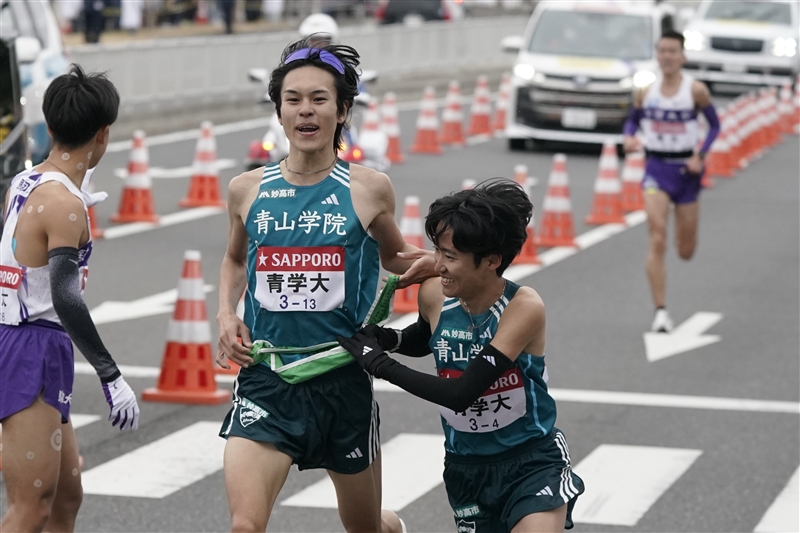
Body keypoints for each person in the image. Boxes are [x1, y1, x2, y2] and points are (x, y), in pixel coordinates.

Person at [215, 38, 433, 533]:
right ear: (279, 111)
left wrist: (446, 263)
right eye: (293, 100)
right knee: (244, 526)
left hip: (342, 379)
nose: (305, 111)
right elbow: (233, 260)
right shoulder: (248, 189)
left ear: (343, 110)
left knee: (365, 529)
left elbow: (394, 255)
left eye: (319, 99)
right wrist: (227, 315)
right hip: (268, 377)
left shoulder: (367, 187)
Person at [337, 179, 585, 533]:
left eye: (449, 257)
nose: (437, 264)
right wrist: (388, 339)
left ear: (491, 261)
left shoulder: (523, 307)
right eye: (437, 251)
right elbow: (425, 338)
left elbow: (461, 395)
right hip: (466, 466)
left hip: (530, 463)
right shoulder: (435, 294)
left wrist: (377, 362)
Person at [0, 64, 140, 533]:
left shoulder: (28, 181)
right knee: (32, 505)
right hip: (32, 345)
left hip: (28, 339)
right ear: (102, 135)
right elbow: (64, 296)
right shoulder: (64, 204)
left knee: (65, 496)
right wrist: (111, 375)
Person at [622, 29, 719, 333]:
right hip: (656, 167)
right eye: (662, 51)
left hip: (686, 172)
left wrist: (700, 156)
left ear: (683, 56)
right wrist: (629, 137)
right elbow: (632, 120)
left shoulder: (696, 90)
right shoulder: (645, 89)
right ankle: (660, 311)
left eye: (672, 51)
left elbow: (715, 126)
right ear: (657, 55)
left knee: (685, 250)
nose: (666, 56)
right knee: (657, 234)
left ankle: (683, 243)